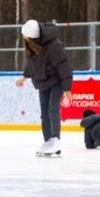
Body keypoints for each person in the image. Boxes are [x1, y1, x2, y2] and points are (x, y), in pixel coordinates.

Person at [15, 18, 73, 156]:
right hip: (43, 82)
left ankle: (56, 140)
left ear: (33, 37)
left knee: (53, 110)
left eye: (26, 36)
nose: (24, 38)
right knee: (44, 113)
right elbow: (32, 64)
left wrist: (67, 89)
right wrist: (24, 77)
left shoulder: (54, 46)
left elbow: (64, 67)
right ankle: (48, 140)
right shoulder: (31, 45)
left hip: (56, 81)